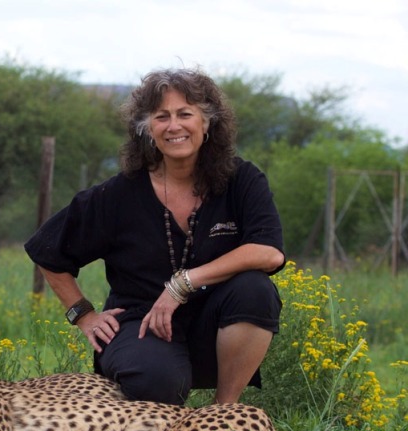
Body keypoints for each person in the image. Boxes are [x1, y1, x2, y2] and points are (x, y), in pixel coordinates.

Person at [24, 67, 285, 406]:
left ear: (207, 122)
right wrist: (84, 315)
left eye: (185, 114)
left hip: (214, 323)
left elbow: (268, 253)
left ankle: (223, 412)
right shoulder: (119, 194)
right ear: (147, 129)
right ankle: (155, 416)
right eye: (162, 117)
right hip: (141, 324)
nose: (174, 126)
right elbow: (47, 250)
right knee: (157, 380)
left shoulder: (242, 179)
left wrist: (182, 284)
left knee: (255, 290)